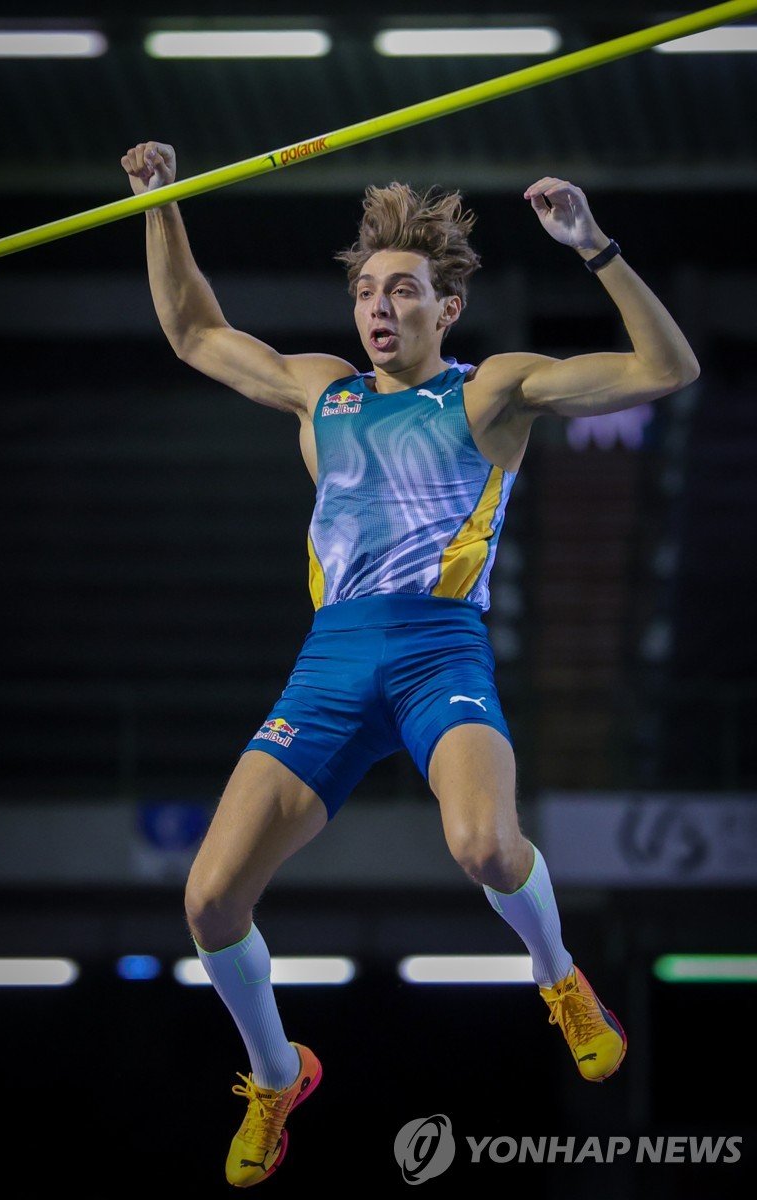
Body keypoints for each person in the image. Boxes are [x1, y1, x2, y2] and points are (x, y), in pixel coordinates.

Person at [121, 140, 700, 1188]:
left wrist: (595, 249)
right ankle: (274, 1072)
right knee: (209, 904)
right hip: (330, 666)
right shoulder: (323, 396)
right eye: (364, 291)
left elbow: (666, 371)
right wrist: (161, 203)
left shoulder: (493, 395)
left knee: (484, 847)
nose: (377, 307)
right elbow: (194, 330)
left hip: (439, 653)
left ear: (447, 310)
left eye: (401, 291)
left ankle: (558, 974)